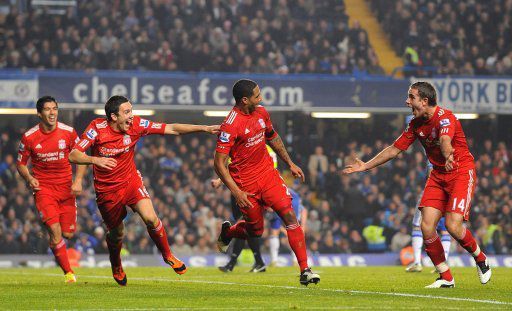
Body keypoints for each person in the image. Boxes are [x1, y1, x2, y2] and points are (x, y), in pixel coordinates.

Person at [343, 82, 491, 288]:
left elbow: (446, 140)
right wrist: (366, 166)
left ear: (424, 100)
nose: (407, 101)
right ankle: (445, 277)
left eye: (411, 97)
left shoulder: (445, 118)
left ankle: (481, 259)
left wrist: (448, 155)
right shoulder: (415, 124)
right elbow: (394, 149)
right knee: (426, 226)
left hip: (460, 173)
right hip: (438, 175)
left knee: (452, 225)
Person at [69, 95, 219, 286]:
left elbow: (171, 128)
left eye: (131, 110)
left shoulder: (137, 125)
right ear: (114, 117)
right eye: (126, 112)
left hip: (131, 182)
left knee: (151, 218)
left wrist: (204, 128)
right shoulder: (97, 129)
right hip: (107, 190)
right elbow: (73, 154)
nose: (131, 116)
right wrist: (95, 160)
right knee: (117, 234)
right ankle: (116, 264)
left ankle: (168, 255)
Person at [214, 79, 320, 286]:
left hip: (268, 176)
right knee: (256, 231)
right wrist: (236, 192)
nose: (260, 98)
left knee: (289, 214)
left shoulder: (261, 112)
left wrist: (289, 163)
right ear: (245, 100)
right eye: (257, 95)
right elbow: (219, 163)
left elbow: (273, 137)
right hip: (246, 184)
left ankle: (305, 270)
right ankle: (228, 232)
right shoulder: (230, 125)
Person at [16, 96, 86, 283]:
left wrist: (78, 180)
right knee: (55, 232)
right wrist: (30, 178)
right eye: (47, 109)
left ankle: (54, 240)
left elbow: (81, 156)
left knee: (68, 233)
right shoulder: (30, 137)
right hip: (44, 189)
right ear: (39, 114)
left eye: (54, 108)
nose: (52, 112)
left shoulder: (69, 132)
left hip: (66, 190)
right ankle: (69, 273)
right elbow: (21, 164)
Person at [212, 145, 277, 273]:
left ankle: (232, 263)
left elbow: (270, 173)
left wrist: (267, 198)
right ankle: (259, 262)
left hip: (252, 193)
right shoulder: (243, 146)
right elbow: (232, 168)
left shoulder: (267, 151)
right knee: (245, 229)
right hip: (236, 193)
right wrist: (220, 181)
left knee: (243, 225)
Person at [268, 185, 307, 266]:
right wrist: (302, 227)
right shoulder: (293, 194)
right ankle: (294, 260)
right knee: (294, 230)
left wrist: (302, 226)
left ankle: (274, 260)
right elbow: (303, 210)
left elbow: (303, 210)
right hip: (284, 198)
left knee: (275, 231)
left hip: (280, 199)